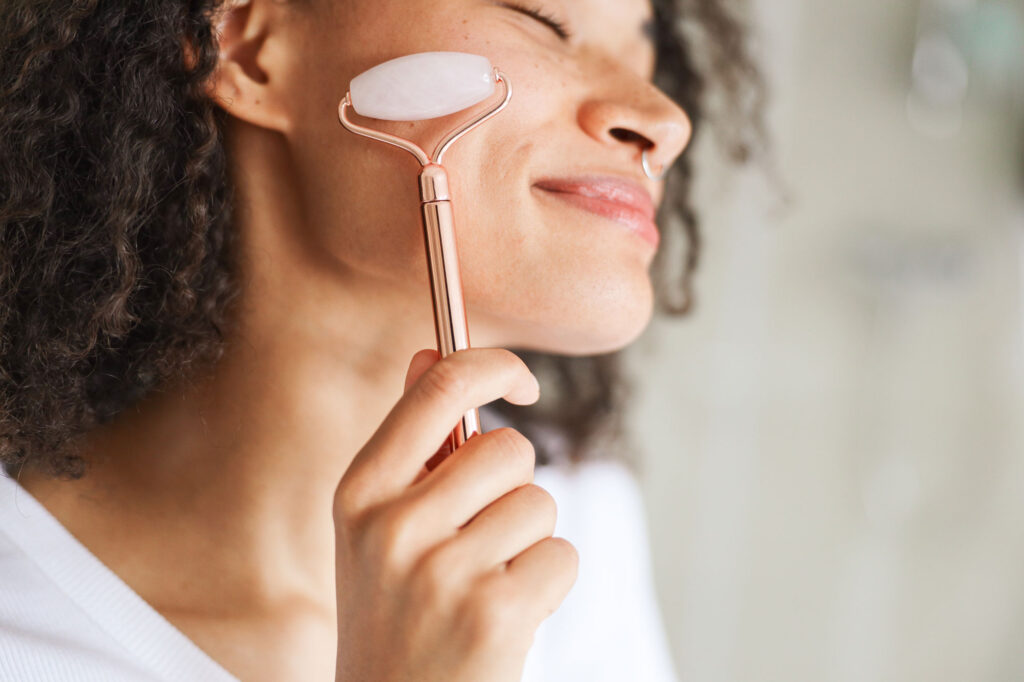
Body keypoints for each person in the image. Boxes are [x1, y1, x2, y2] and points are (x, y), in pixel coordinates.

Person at [0, 0, 764, 680]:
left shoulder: (570, 520)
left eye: (645, 47)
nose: (664, 120)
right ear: (252, 47)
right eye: (542, 19)